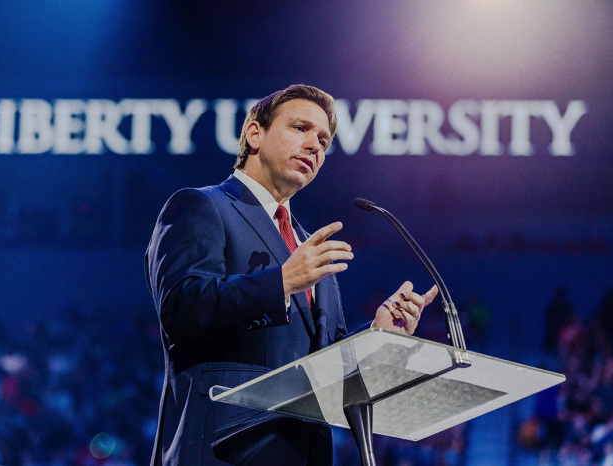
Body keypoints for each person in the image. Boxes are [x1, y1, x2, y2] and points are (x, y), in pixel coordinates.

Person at [145, 84, 438, 466]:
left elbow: (326, 361)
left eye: (324, 141)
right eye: (300, 128)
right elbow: (182, 309)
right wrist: (281, 282)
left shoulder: (305, 243)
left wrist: (377, 337)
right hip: (222, 452)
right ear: (255, 134)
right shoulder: (202, 206)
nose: (315, 145)